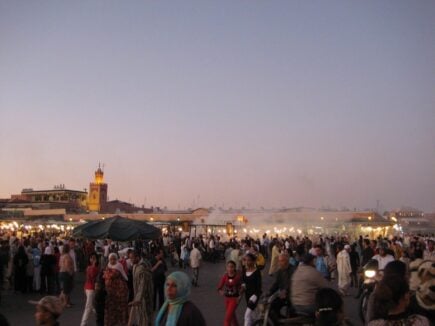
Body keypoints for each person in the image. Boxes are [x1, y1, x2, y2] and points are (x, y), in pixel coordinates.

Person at [128, 251, 154, 326]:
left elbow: (142, 285)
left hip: (144, 297)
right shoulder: (135, 266)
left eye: (132, 258)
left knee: (145, 316)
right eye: (130, 258)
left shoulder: (143, 267)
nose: (131, 260)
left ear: (137, 257)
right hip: (138, 296)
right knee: (140, 316)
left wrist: (137, 299)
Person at [267, 253, 295, 321]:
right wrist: (269, 292)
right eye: (279, 261)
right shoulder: (279, 271)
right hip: (283, 295)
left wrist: (286, 291)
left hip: (293, 296)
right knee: (271, 307)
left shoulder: (293, 270)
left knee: (292, 314)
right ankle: (281, 321)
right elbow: (276, 284)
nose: (279, 263)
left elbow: (293, 284)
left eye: (282, 261)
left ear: (287, 261)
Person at [104, 253, 129, 326]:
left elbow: (110, 275)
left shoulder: (118, 266)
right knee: (112, 309)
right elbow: (105, 275)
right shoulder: (108, 266)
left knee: (120, 309)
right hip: (111, 293)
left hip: (119, 292)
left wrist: (106, 273)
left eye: (114, 259)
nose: (112, 261)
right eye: (111, 259)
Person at [217, 260, 242, 326]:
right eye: (228, 267)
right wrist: (220, 291)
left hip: (234, 299)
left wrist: (240, 295)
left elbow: (242, 287)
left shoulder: (238, 277)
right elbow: (220, 286)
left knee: (227, 318)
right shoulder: (225, 276)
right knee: (232, 315)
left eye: (232, 267)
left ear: (234, 267)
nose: (230, 269)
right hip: (227, 299)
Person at [242, 253, 262, 326]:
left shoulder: (257, 272)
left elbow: (259, 286)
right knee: (252, 315)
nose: (247, 262)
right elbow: (243, 282)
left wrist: (255, 296)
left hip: (254, 295)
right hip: (247, 295)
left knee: (247, 315)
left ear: (253, 261)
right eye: (246, 260)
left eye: (249, 260)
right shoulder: (244, 270)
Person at [80, 252, 99, 326]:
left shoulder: (92, 267)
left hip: (90, 288)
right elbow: (91, 276)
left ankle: (100, 317)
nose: (93, 259)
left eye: (94, 258)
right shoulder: (91, 267)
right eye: (91, 258)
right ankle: (83, 323)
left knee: (91, 306)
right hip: (90, 288)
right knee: (89, 306)